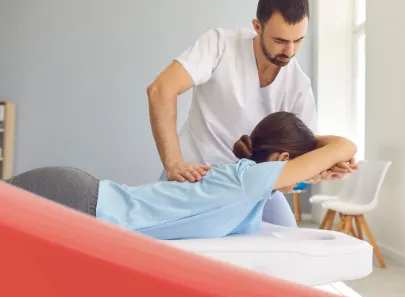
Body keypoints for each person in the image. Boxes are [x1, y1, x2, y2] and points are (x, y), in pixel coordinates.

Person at [146, 0, 357, 228]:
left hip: (254, 182)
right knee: (166, 243)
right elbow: (161, 89)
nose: (289, 51)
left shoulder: (299, 86)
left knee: (287, 237)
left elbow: (296, 160)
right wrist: (173, 163)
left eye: (298, 40)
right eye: (280, 40)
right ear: (257, 27)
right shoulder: (220, 44)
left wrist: (323, 168)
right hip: (195, 173)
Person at [7, 111, 357, 241]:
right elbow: (345, 145)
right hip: (76, 201)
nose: (302, 179)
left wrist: (317, 167)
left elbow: (296, 178)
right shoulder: (248, 181)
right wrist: (318, 153)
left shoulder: (249, 190)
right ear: (282, 159)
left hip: (83, 203)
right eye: (299, 165)